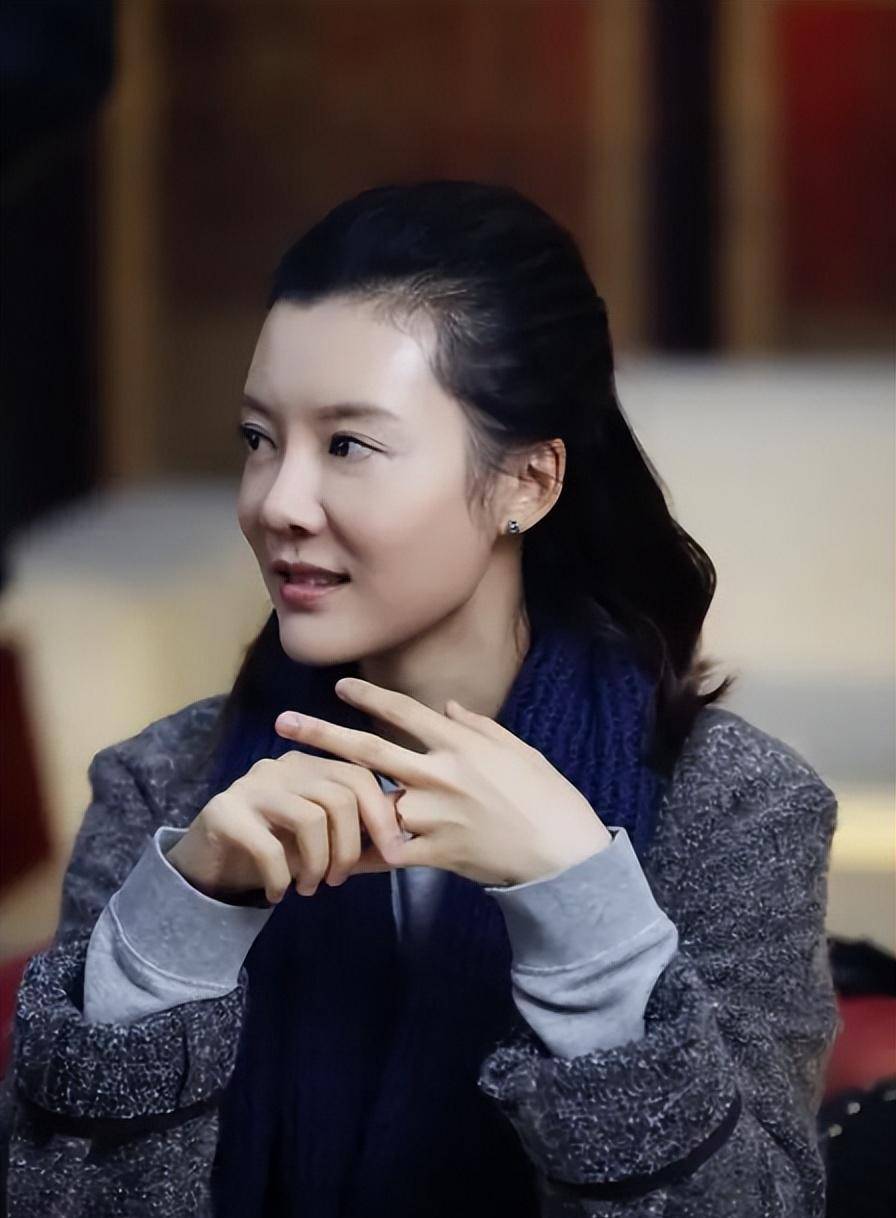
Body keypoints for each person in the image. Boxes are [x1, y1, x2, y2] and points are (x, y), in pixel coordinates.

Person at [0, 181, 840, 1217]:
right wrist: (177, 933)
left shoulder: (734, 807)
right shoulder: (163, 790)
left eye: (347, 445)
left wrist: (583, 910)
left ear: (526, 482)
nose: (276, 502)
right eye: (258, 439)